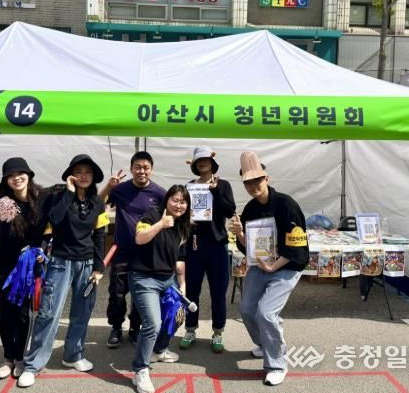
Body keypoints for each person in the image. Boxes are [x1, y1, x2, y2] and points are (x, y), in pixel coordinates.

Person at [18, 154, 108, 388]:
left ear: (93, 176)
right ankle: (33, 364)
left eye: (88, 172)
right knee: (49, 312)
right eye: (78, 171)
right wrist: (69, 192)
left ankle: (73, 355)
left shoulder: (97, 202)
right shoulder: (59, 196)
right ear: (71, 175)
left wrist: (99, 267)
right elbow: (55, 220)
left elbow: (99, 236)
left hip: (87, 263)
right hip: (60, 261)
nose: (83, 176)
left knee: (82, 312)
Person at [232, 151, 309, 387]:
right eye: (248, 182)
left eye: (257, 180)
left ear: (267, 178)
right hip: (261, 265)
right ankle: (266, 343)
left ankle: (277, 364)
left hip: (286, 266)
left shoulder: (287, 204)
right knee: (247, 310)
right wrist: (240, 234)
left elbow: (297, 245)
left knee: (266, 313)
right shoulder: (250, 209)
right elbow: (249, 247)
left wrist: (273, 265)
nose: (253, 186)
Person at [0, 157, 51, 380]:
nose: (16, 178)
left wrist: (42, 250)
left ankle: (19, 357)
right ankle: (8, 357)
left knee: (24, 311)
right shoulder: (1, 201)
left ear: (29, 175)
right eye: (11, 175)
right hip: (5, 263)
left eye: (20, 173)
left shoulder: (43, 198)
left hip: (30, 263)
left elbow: (50, 228)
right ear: (6, 180)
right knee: (6, 310)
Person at [99, 151, 166, 348]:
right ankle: (116, 327)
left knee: (141, 294)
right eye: (138, 167)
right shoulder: (120, 189)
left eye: (146, 168)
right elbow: (98, 203)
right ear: (131, 169)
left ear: (151, 170)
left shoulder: (160, 193)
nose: (141, 171)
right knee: (117, 292)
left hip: (146, 254)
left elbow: (168, 218)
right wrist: (108, 186)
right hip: (122, 251)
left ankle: (135, 328)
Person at [129, 185, 192, 393]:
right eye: (175, 200)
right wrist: (161, 224)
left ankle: (159, 349)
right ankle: (140, 369)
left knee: (178, 313)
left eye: (183, 202)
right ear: (167, 200)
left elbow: (180, 259)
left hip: (168, 278)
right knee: (153, 323)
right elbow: (139, 238)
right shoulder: (153, 214)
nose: (179, 205)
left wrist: (182, 284)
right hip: (144, 278)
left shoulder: (183, 225)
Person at [180, 146, 235, 353]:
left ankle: (218, 332)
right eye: (198, 161)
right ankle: (190, 329)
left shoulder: (223, 185)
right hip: (194, 245)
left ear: (212, 163)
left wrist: (215, 190)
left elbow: (230, 211)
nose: (202, 163)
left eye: (205, 160)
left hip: (217, 246)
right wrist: (186, 218)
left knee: (218, 292)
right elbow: (181, 212)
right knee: (192, 290)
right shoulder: (189, 186)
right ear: (194, 165)